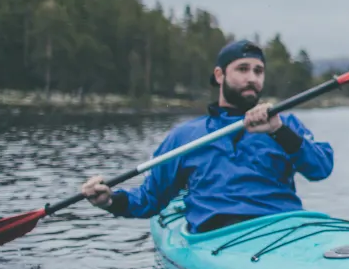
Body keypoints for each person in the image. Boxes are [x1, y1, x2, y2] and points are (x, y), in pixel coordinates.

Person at [81, 38, 333, 232]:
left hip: (283, 230)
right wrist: (110, 200)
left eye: (258, 71)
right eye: (243, 69)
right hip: (217, 238)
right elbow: (151, 198)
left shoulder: (284, 123)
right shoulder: (186, 136)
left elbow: (321, 168)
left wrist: (279, 131)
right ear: (219, 75)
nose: (252, 78)